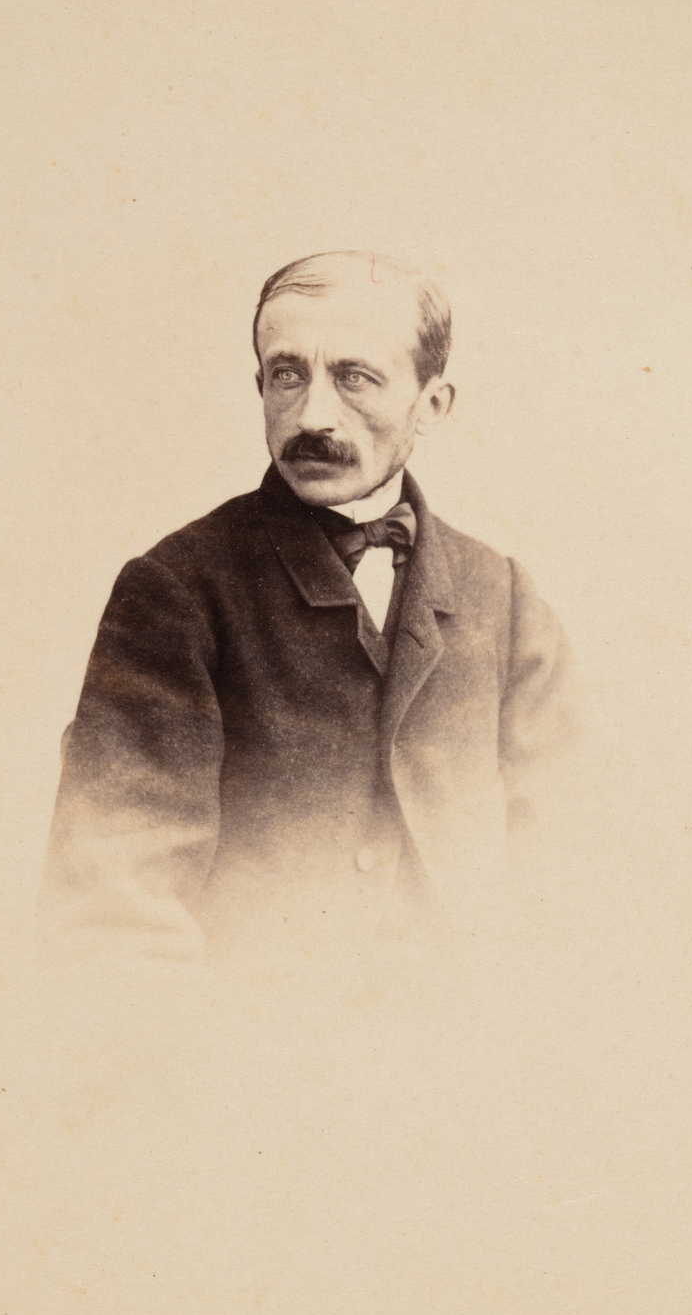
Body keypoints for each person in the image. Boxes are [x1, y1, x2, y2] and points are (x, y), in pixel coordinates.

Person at [42, 251, 571, 960]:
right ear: (260, 385)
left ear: (431, 405)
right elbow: (115, 913)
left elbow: (570, 871)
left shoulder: (503, 599)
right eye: (287, 375)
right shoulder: (177, 590)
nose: (312, 415)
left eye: (355, 377)